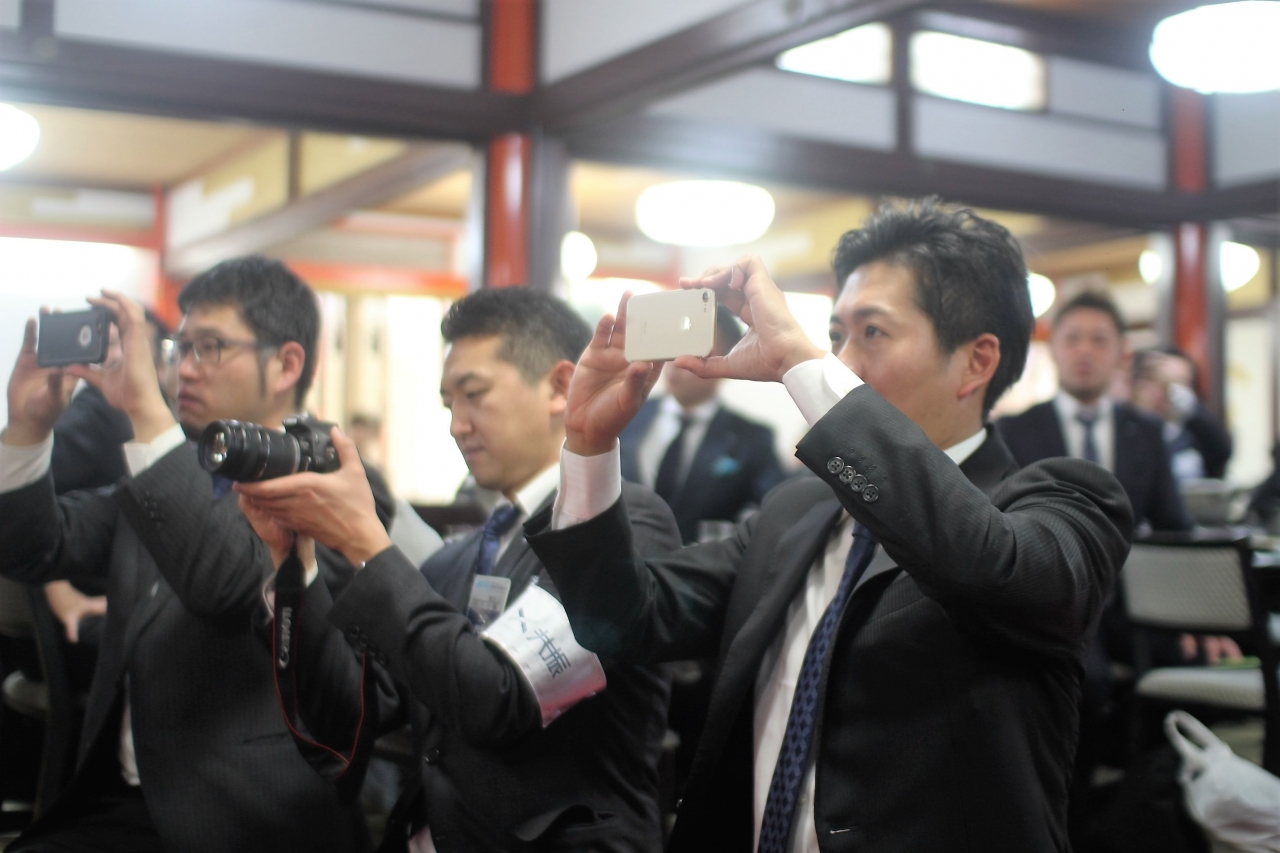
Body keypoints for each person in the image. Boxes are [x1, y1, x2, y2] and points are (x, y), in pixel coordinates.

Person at [521, 200, 1132, 853]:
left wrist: (800, 363)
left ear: (976, 361)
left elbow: (982, 561)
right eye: (836, 334)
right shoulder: (798, 510)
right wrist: (588, 445)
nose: (838, 360)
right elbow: (620, 618)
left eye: (872, 332)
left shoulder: (1066, 500)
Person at [235, 287, 680, 852]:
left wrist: (366, 541)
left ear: (560, 386)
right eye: (448, 404)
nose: (456, 425)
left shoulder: (623, 531)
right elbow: (353, 715)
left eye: (474, 395)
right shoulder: (458, 558)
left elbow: (498, 699)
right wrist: (295, 564)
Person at [0, 256, 384, 853]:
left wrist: (144, 412)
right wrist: (26, 429)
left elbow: (224, 582)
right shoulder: (177, 471)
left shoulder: (337, 483)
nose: (184, 369)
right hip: (118, 803)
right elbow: (32, 547)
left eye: (209, 348)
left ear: (286, 364)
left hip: (244, 818)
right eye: (180, 349)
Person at [998, 291, 1192, 533]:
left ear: (1121, 352)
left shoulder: (1147, 431)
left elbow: (1172, 524)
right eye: (1072, 339)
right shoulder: (1014, 430)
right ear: (1052, 348)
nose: (1085, 350)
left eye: (1099, 340)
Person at [620, 305, 785, 544]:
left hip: (702, 561)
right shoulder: (628, 414)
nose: (678, 362)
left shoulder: (752, 439)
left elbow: (775, 511)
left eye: (695, 353)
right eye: (674, 347)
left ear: (727, 358)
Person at [1130, 347, 1233, 482]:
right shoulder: (1129, 428)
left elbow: (1222, 452)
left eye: (1180, 382)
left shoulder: (1197, 430)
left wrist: (1188, 407)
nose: (1166, 390)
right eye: (1156, 380)